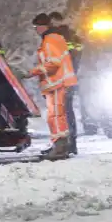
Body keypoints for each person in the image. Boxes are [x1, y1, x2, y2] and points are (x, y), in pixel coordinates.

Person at [28, 13, 77, 160]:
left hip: (56, 83)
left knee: (55, 116)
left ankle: (60, 146)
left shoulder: (50, 40)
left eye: (36, 27)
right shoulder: (56, 38)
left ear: (43, 27)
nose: (36, 30)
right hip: (60, 83)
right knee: (59, 116)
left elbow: (52, 64)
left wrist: (32, 72)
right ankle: (62, 145)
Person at [48, 11, 83, 154]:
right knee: (66, 112)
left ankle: (66, 144)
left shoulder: (61, 36)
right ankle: (69, 144)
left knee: (63, 113)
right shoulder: (72, 35)